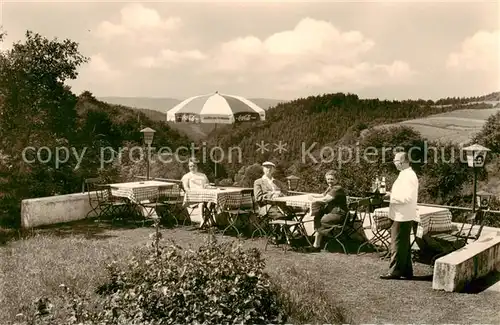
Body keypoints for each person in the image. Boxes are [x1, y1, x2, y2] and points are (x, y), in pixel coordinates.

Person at [380, 151, 418, 280]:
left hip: (403, 215)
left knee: (397, 243)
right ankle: (407, 271)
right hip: (400, 214)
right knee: (404, 245)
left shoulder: (409, 176)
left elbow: (407, 198)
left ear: (403, 162)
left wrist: (391, 197)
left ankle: (394, 271)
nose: (394, 163)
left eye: (396, 161)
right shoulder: (404, 175)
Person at [309, 170, 348, 249]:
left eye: (332, 179)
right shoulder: (330, 188)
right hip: (333, 213)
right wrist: (312, 196)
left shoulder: (337, 188)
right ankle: (316, 244)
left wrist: (314, 200)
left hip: (339, 214)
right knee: (317, 217)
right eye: (328, 179)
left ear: (337, 180)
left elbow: (326, 200)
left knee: (320, 220)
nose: (330, 181)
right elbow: (322, 195)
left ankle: (323, 239)